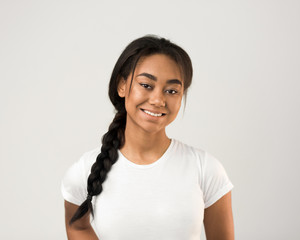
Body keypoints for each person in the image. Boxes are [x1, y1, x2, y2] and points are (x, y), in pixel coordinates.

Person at [61, 35, 234, 240]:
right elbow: (77, 227)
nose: (158, 100)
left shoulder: (206, 169)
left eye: (171, 90)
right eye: (146, 85)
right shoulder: (84, 171)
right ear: (122, 85)